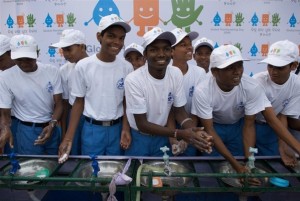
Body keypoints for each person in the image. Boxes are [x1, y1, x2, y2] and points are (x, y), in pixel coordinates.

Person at [124, 26, 213, 157]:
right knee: (138, 174)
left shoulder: (175, 73)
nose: (161, 54)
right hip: (139, 138)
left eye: (166, 49)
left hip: (163, 137)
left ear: (171, 52)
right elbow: (142, 124)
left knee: (162, 175)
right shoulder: (133, 80)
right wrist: (179, 133)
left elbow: (179, 111)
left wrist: (194, 130)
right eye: (154, 50)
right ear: (145, 54)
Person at [58, 14, 133, 161]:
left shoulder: (127, 67)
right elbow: (78, 103)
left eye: (121, 38)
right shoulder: (84, 66)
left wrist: (125, 128)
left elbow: (126, 102)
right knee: (90, 173)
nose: (117, 42)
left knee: (114, 172)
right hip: (92, 130)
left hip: (116, 129)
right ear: (99, 36)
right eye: (111, 36)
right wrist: (68, 138)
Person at [0, 34, 63, 155]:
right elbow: (5, 112)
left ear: (37, 53)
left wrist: (52, 124)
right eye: (19, 60)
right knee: (32, 168)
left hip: (52, 128)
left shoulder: (51, 71)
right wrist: (5, 128)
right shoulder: (5, 77)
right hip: (27, 131)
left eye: (28, 58)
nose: (24, 63)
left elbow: (59, 104)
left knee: (55, 166)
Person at [254, 40, 300, 167]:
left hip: (274, 129)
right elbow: (269, 117)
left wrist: (283, 145)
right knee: (249, 162)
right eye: (270, 65)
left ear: (294, 66)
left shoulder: (297, 84)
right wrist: (296, 147)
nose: (273, 71)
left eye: (279, 67)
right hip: (249, 124)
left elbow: (283, 116)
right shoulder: (258, 81)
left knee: (270, 165)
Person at [50, 29, 89, 155]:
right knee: (74, 153)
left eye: (68, 49)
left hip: (94, 119)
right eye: (63, 50)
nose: (65, 54)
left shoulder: (96, 65)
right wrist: (65, 134)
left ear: (82, 47)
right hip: (75, 115)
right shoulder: (64, 70)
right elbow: (65, 104)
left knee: (90, 153)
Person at [168, 28, 206, 156]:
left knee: (190, 165)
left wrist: (190, 133)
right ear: (171, 51)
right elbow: (169, 110)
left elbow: (197, 108)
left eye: (189, 44)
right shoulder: (164, 72)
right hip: (167, 128)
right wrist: (173, 138)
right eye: (183, 45)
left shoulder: (199, 73)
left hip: (191, 124)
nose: (189, 48)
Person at [0, 34, 18, 154]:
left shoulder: (29, 70)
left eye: (0, 59)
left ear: (11, 53)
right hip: (5, 123)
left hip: (20, 125)